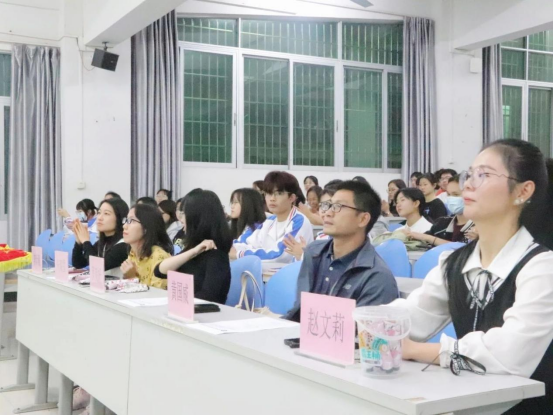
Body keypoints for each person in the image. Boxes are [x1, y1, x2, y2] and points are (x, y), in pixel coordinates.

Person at [392, 139, 553, 413]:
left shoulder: (542, 267)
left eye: (484, 175)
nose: (468, 184)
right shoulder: (454, 263)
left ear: (523, 190)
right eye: (469, 174)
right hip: (470, 404)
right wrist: (360, 320)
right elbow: (414, 315)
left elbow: (508, 353)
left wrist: (417, 350)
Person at [285, 180, 398, 322]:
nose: (327, 213)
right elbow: (300, 312)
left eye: (338, 207)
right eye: (327, 205)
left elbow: (363, 333)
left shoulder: (377, 277)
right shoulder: (314, 253)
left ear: (363, 219)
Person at [154, 189, 232, 304]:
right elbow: (159, 271)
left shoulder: (217, 255)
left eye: (184, 214)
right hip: (182, 309)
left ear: (198, 218)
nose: (181, 219)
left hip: (202, 313)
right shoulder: (194, 250)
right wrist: (193, 251)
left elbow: (208, 298)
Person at [231, 171, 314, 268]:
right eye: (268, 193)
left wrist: (240, 254)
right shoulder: (268, 221)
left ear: (292, 198)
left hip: (291, 276)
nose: (272, 199)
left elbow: (279, 255)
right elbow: (242, 243)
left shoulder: (299, 221)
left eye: (278, 193)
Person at [401, 175, 475, 246]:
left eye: (456, 194)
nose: (451, 198)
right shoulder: (442, 223)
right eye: (449, 194)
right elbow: (423, 240)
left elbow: (463, 248)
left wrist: (431, 239)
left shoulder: (477, 227)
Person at [72, 198, 129, 277]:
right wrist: (78, 242)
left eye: (106, 214)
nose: (100, 218)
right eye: (99, 213)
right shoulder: (102, 242)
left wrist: (85, 241)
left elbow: (98, 267)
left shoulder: (123, 244)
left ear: (120, 218)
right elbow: (78, 264)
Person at [120, 204, 173, 289]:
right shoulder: (133, 252)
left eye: (131, 221)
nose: (124, 226)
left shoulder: (159, 257)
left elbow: (158, 295)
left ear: (146, 228)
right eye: (126, 220)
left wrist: (132, 278)